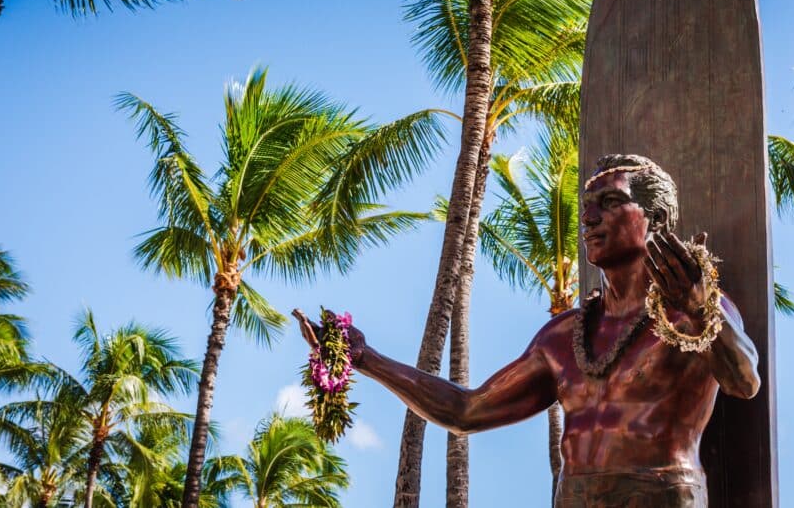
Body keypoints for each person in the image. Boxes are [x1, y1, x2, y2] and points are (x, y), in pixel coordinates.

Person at [295, 154, 760, 507]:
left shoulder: (695, 313)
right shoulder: (562, 337)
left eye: (612, 202)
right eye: (587, 206)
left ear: (654, 220)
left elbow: (745, 380)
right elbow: (466, 409)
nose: (590, 217)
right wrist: (366, 358)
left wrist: (701, 312)